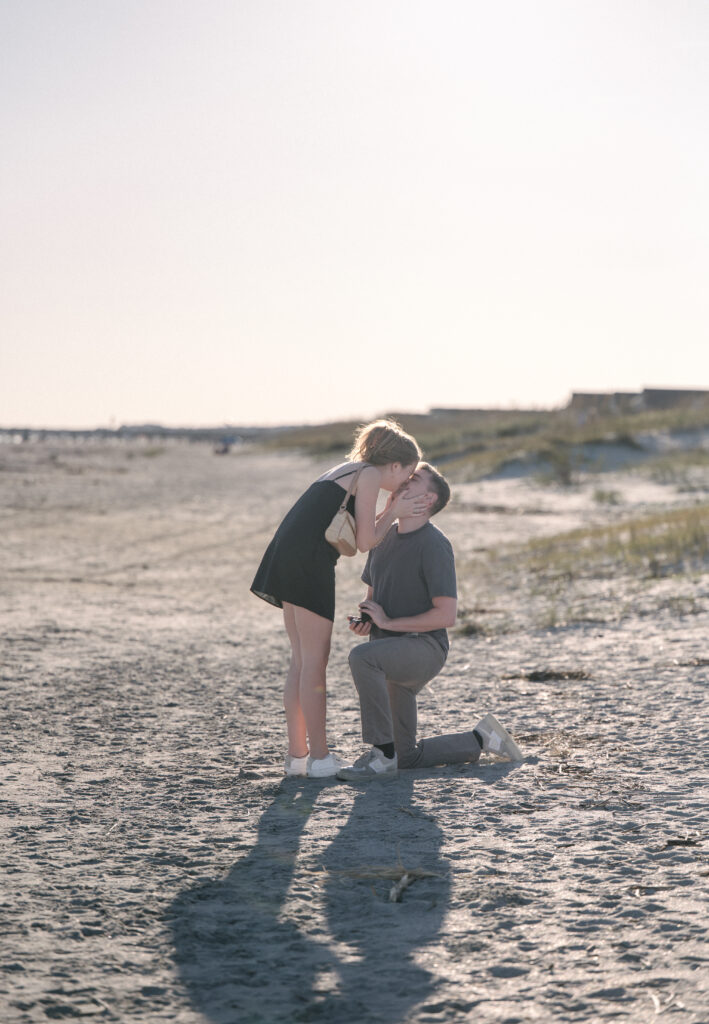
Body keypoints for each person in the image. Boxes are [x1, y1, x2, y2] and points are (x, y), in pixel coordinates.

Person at [251, 420, 428, 778]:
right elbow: (364, 543)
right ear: (394, 465)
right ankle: (320, 759)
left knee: (301, 661)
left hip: (286, 556)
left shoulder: (346, 469)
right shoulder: (369, 476)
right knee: (314, 662)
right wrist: (394, 512)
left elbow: (356, 532)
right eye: (407, 475)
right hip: (308, 563)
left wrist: (387, 510)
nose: (406, 483)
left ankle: (298, 757)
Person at [337, 462, 523, 781]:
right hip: (388, 652)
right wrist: (366, 621)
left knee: (361, 659)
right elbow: (374, 603)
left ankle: (381, 755)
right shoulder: (381, 538)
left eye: (415, 480)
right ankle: (484, 738)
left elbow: (446, 615)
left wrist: (388, 623)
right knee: (406, 758)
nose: (404, 482)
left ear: (429, 500)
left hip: (424, 649)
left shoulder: (435, 544)